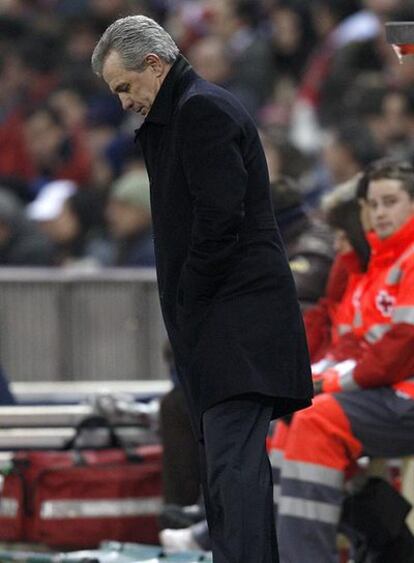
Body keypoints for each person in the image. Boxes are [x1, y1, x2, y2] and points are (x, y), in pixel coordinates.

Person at [92, 15, 312, 563]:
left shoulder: (201, 111)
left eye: (125, 87)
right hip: (223, 322)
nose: (123, 103)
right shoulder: (183, 113)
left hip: (235, 322)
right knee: (230, 472)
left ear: (154, 64)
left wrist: (189, 296)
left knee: (233, 472)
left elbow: (220, 219)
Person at [270, 159, 414, 562]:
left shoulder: (408, 260)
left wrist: (326, 384)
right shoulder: (382, 264)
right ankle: (285, 549)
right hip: (389, 393)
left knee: (315, 419)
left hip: (401, 394)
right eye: (374, 204)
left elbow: (399, 349)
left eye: (391, 202)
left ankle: (304, 555)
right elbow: (354, 348)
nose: (381, 213)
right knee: (291, 415)